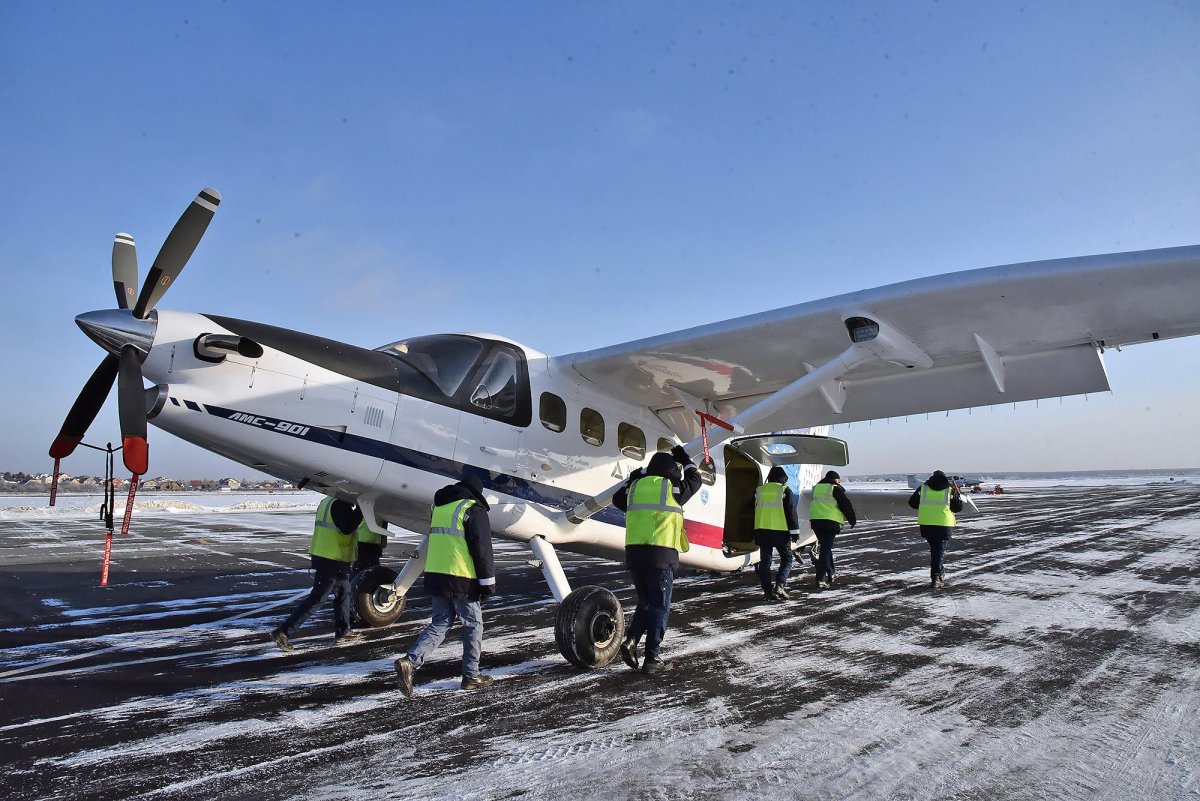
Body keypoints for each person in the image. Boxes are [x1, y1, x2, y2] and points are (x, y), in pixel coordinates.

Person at [394, 472, 496, 697]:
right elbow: (482, 549)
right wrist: (487, 582)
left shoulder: (439, 507)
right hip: (461, 577)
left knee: (441, 622)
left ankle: (409, 662)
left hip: (437, 575)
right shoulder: (472, 509)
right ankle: (471, 676)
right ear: (477, 491)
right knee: (473, 625)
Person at [613, 445, 703, 674]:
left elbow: (617, 499)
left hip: (635, 555)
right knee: (660, 607)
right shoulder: (672, 488)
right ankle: (652, 658)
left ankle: (631, 640)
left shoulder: (634, 488)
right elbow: (696, 479)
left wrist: (635, 477)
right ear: (671, 470)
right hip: (661, 556)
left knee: (645, 602)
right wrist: (687, 459)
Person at [271, 496, 366, 651]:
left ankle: (343, 631)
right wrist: (362, 510)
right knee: (318, 598)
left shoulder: (328, 501)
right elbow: (347, 527)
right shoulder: (340, 503)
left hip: (331, 557)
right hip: (330, 558)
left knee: (344, 591)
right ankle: (283, 631)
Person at [908, 470, 964, 588]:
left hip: (926, 524)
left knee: (936, 550)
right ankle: (936, 576)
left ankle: (939, 573)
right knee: (938, 551)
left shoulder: (923, 488)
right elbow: (958, 508)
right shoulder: (950, 489)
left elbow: (912, 503)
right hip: (943, 524)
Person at [754, 465, 802, 600]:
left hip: (762, 531)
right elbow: (791, 512)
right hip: (780, 531)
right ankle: (780, 585)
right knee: (787, 558)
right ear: (783, 479)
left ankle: (767, 592)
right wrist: (795, 532)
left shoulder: (759, 491)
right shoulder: (784, 490)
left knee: (765, 562)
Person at [809, 470, 856, 589]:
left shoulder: (817, 488)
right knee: (825, 550)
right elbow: (846, 504)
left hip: (815, 521)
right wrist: (852, 520)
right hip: (829, 522)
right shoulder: (834, 488)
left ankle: (831, 573)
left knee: (826, 547)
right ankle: (820, 578)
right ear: (835, 479)